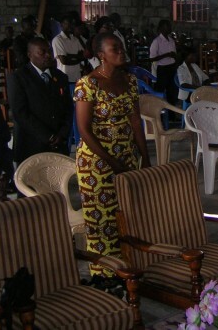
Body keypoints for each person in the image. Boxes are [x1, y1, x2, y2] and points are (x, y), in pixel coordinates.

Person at [74, 32, 150, 274]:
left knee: (128, 214)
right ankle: (105, 275)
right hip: (96, 162)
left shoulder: (129, 80)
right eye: (114, 48)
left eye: (121, 47)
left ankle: (130, 270)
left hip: (126, 155)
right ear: (101, 55)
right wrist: (111, 162)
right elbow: (84, 129)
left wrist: (145, 157)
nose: (121, 52)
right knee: (103, 220)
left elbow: (136, 121)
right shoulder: (88, 84)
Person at [7, 37, 73, 164]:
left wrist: (62, 133)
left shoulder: (60, 77)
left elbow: (68, 108)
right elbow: (20, 113)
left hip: (58, 144)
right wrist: (48, 136)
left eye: (49, 51)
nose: (48, 55)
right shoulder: (19, 78)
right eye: (42, 52)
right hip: (32, 145)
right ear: (30, 55)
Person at [149, 19, 177, 105]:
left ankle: (171, 111)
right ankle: (158, 110)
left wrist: (174, 56)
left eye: (170, 26)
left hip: (171, 67)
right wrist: (166, 55)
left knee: (171, 91)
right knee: (160, 91)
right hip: (162, 69)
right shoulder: (156, 41)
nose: (170, 28)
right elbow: (152, 58)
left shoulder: (171, 40)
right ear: (161, 28)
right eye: (167, 26)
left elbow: (174, 54)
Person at [52, 15, 84, 85]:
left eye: (72, 24)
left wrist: (69, 56)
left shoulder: (75, 39)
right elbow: (64, 60)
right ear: (61, 25)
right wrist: (77, 57)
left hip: (77, 77)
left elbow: (82, 56)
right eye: (68, 23)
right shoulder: (58, 40)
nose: (71, 26)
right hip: (65, 77)